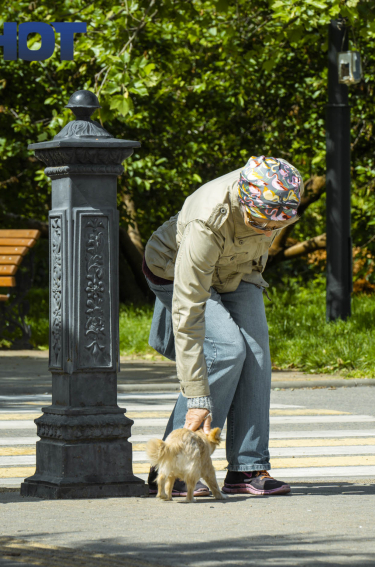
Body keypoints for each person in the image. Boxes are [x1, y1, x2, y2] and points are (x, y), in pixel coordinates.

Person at [142, 155, 302, 496]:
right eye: (260, 222)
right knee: (227, 349)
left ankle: (247, 468)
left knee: (256, 355)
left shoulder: (275, 194)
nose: (267, 231)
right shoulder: (208, 219)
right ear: (244, 201)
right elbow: (188, 313)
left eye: (274, 226)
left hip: (236, 270)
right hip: (174, 269)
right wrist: (198, 396)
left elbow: (258, 239)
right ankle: (170, 465)